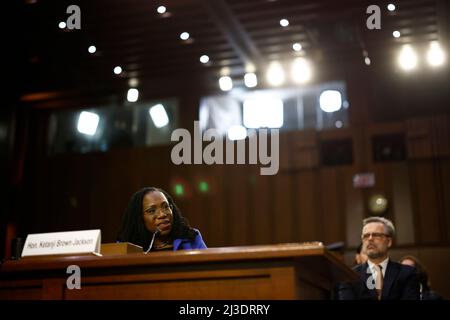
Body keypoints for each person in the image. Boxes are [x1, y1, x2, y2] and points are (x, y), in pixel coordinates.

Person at [338, 216, 419, 300]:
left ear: (389, 242)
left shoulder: (407, 273)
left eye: (376, 235)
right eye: (366, 236)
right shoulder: (350, 276)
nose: (370, 239)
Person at [117, 187, 207, 252]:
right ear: (139, 218)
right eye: (151, 211)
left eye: (166, 207)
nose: (162, 214)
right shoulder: (126, 246)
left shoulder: (192, 238)